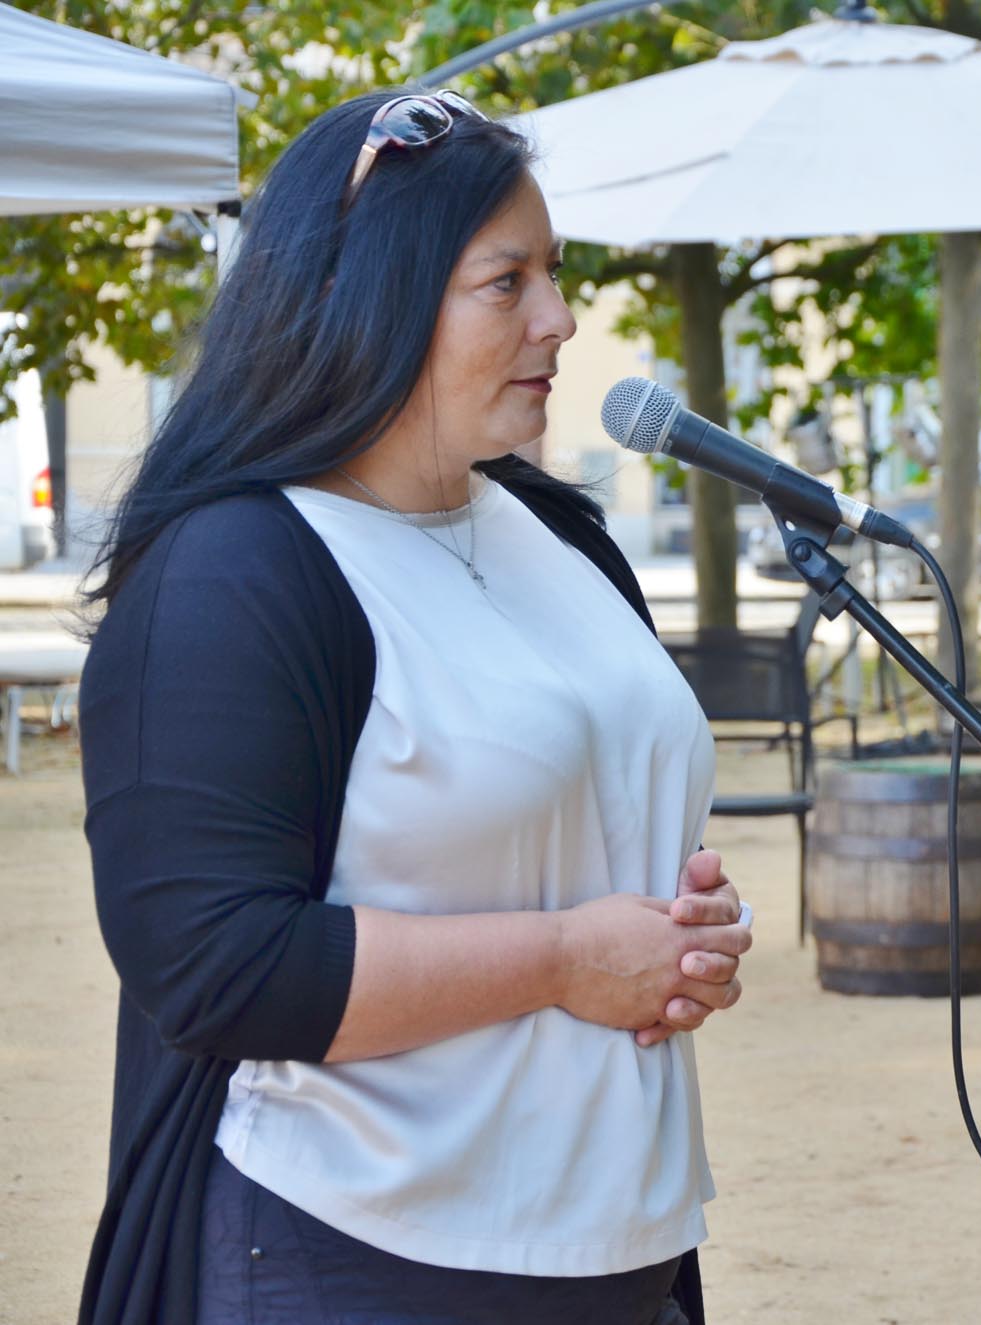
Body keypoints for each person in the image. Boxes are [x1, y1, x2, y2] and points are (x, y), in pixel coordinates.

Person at [77, 89, 752, 1325]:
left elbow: (575, 824)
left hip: (621, 1241)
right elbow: (221, 968)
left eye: (557, 272)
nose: (558, 318)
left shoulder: (560, 534)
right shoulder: (235, 574)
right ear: (365, 296)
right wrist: (566, 958)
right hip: (359, 1252)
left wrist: (682, 929)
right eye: (507, 283)